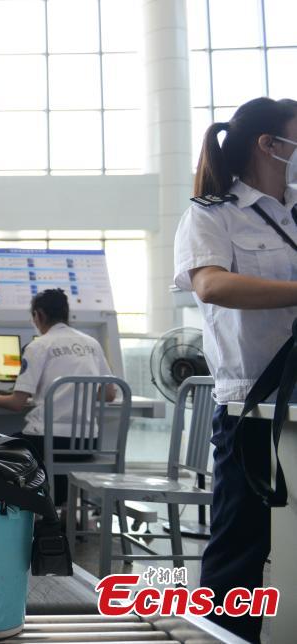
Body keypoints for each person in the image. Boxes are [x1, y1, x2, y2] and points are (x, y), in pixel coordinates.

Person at [173, 96, 297, 643]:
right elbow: (212, 284)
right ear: (270, 144)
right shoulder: (212, 213)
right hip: (252, 404)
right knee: (241, 545)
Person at [0, 289, 115, 503]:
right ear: (66, 313)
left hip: (48, 441)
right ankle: (61, 510)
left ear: (39, 315)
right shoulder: (92, 344)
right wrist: (77, 394)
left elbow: (16, 403)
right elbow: (109, 394)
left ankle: (18, 510)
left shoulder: (39, 345)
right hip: (87, 443)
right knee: (46, 455)